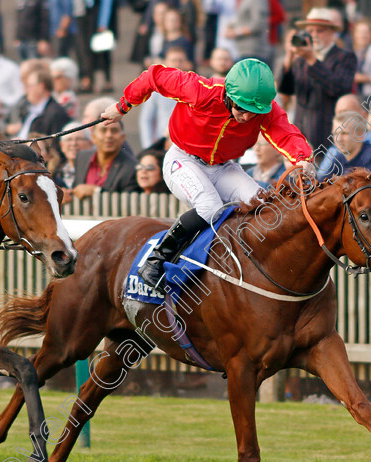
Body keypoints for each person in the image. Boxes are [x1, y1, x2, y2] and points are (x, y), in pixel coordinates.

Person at [102, 58, 313, 290]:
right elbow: (153, 76)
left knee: (265, 205)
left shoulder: (265, 109)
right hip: (182, 159)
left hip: (223, 167)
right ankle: (157, 260)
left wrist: (302, 159)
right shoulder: (200, 90)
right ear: (229, 95)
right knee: (209, 207)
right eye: (241, 109)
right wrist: (122, 106)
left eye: (254, 112)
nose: (247, 118)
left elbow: (287, 133)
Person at [279, 8, 357, 154]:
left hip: (328, 136)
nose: (314, 35)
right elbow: (286, 90)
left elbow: (338, 88)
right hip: (301, 134)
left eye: (319, 31)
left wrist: (312, 60)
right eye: (310, 31)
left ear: (332, 33)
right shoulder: (301, 59)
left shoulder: (345, 57)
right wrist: (289, 58)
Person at [71, 119, 139, 198]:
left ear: (122, 138)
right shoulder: (82, 158)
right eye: (103, 130)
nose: (109, 135)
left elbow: (128, 202)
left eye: (114, 131)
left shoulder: (131, 167)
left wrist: (97, 191)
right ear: (93, 137)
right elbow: (75, 189)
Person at [317, 111, 371, 184]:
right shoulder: (339, 157)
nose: (338, 139)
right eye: (335, 133)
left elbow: (366, 193)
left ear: (360, 135)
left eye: (344, 133)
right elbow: (322, 185)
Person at [53, 122, 92, 189]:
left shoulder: (95, 171)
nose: (74, 144)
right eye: (69, 139)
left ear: (89, 144)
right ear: (62, 146)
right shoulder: (55, 173)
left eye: (79, 139)